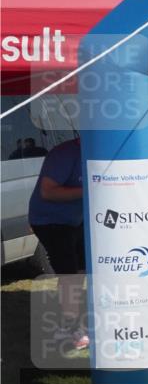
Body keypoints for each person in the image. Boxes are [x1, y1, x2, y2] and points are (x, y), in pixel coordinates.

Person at [28, 137, 88, 350]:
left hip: (76, 220)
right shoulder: (64, 154)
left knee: (83, 271)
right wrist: (89, 190)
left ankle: (76, 320)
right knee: (69, 275)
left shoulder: (100, 150)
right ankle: (70, 329)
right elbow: (48, 191)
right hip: (49, 220)